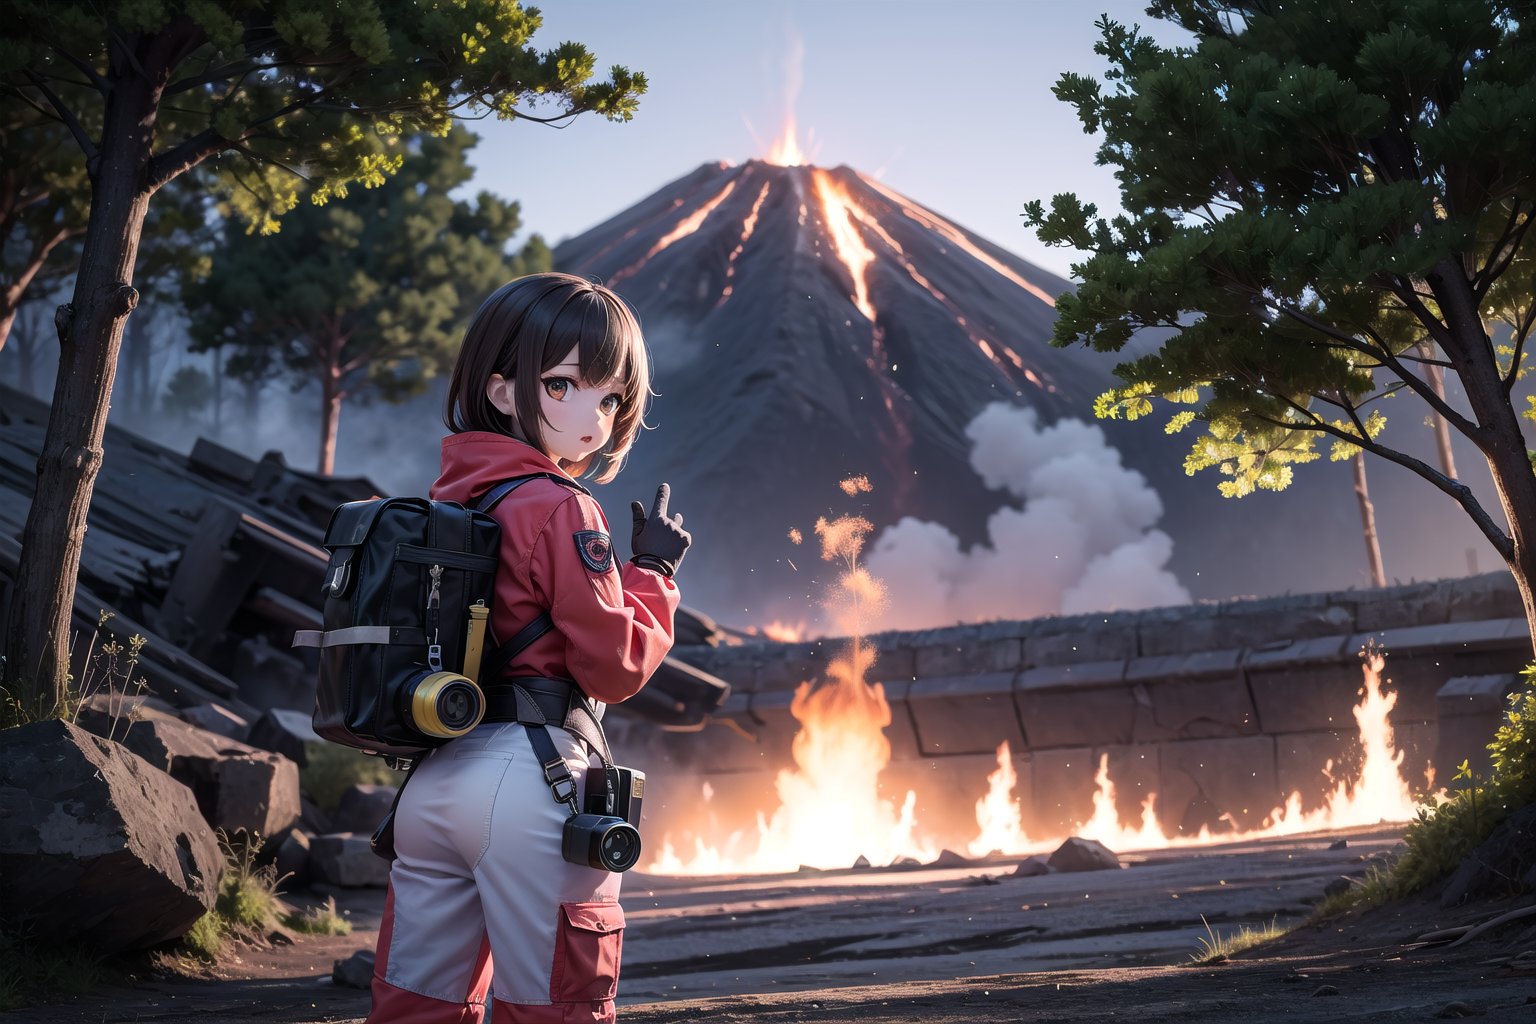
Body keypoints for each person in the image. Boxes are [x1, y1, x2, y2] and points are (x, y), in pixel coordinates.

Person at [367, 272, 690, 1024]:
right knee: (556, 1007)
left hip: (431, 783)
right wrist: (655, 576)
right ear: (503, 389)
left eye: (611, 398)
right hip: (531, 782)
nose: (594, 416)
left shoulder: (445, 502)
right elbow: (614, 665)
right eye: (564, 384)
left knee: (414, 1008)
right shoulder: (562, 506)